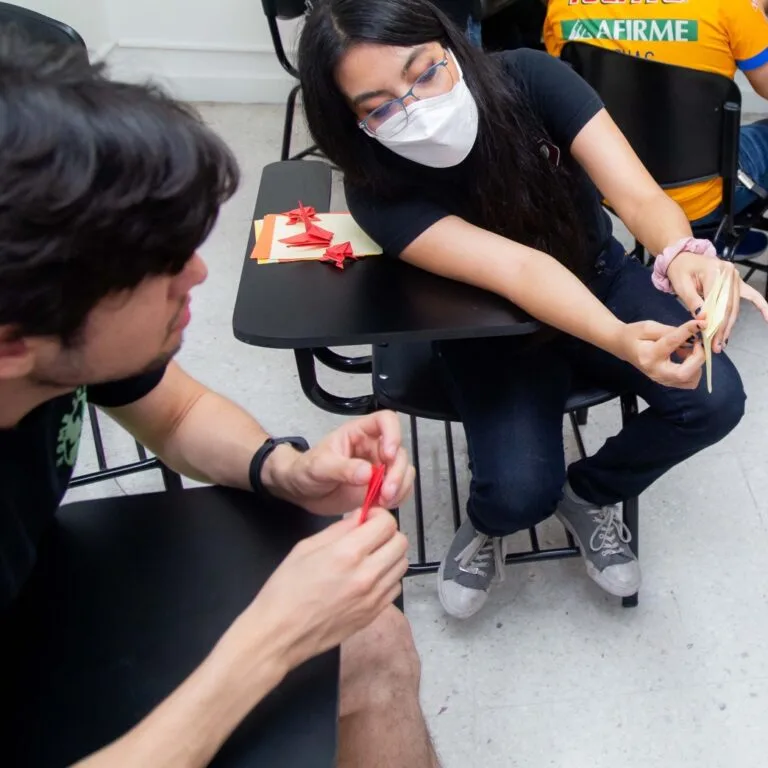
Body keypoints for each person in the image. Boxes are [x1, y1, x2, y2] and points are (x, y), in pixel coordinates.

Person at [0, 34, 440, 768]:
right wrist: (272, 641)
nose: (198, 274)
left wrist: (280, 468)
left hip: (39, 588)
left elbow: (172, 413)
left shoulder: (43, 325)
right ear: (14, 342)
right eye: (160, 271)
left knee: (369, 637)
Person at [297, 0, 768, 620]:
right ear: (350, 123)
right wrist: (622, 339)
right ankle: (490, 523)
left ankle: (589, 493)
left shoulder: (530, 77)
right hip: (491, 326)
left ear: (452, 44)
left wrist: (682, 253)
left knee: (715, 399)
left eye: (425, 72)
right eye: (380, 106)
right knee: (518, 494)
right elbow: (519, 271)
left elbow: (634, 191)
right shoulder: (376, 190)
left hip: (598, 275)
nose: (417, 106)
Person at [543, 0, 768, 232]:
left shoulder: (562, 5)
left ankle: (713, 240)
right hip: (704, 196)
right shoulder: (733, 4)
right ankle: (716, 236)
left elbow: (564, 82)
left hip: (614, 189)